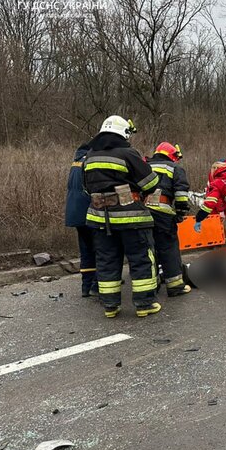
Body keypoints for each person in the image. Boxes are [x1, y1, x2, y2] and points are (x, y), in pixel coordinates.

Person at [83, 115, 161, 318]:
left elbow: (86, 188)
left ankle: (110, 306)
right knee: (141, 259)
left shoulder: (89, 156)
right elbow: (150, 183)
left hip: (100, 219)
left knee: (107, 260)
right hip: (132, 218)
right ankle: (144, 304)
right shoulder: (128, 153)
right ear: (124, 133)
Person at [146, 142, 191, 297]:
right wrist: (180, 213)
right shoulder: (175, 168)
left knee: (147, 250)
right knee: (168, 248)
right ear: (172, 155)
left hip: (141, 212)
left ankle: (150, 287)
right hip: (162, 213)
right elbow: (181, 194)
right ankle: (175, 286)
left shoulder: (143, 165)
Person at [65, 142, 97, 297]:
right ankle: (97, 284)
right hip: (88, 211)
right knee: (99, 247)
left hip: (75, 211)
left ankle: (86, 285)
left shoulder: (76, 162)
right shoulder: (90, 161)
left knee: (85, 249)